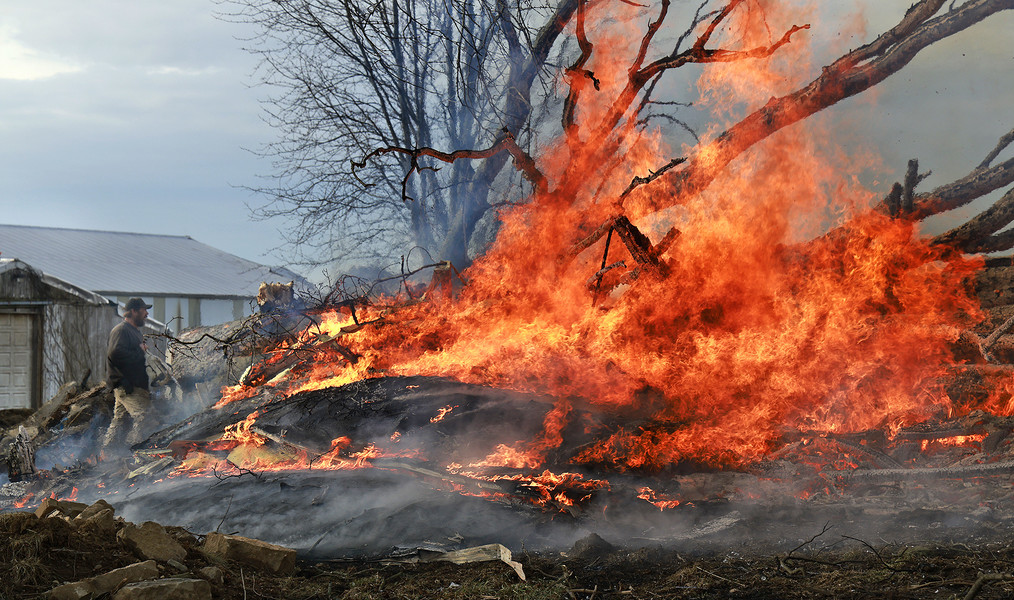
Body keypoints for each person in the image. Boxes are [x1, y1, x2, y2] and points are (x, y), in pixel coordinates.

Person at [103, 297, 154, 451]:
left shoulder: (134, 332)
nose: (146, 314)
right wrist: (139, 350)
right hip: (128, 386)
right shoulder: (121, 330)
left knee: (120, 421)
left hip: (133, 385)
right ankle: (136, 451)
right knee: (145, 418)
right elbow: (115, 354)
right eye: (144, 310)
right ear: (134, 311)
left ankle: (107, 452)